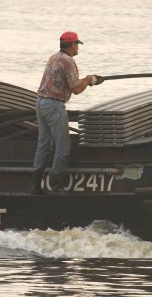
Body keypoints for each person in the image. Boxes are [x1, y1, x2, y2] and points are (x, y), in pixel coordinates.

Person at [29, 31, 103, 194]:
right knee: (63, 145)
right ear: (71, 45)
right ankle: (56, 185)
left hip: (40, 103)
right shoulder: (68, 61)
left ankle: (35, 185)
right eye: (77, 44)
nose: (78, 47)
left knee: (43, 144)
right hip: (54, 106)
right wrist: (89, 80)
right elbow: (76, 89)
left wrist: (89, 80)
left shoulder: (54, 57)